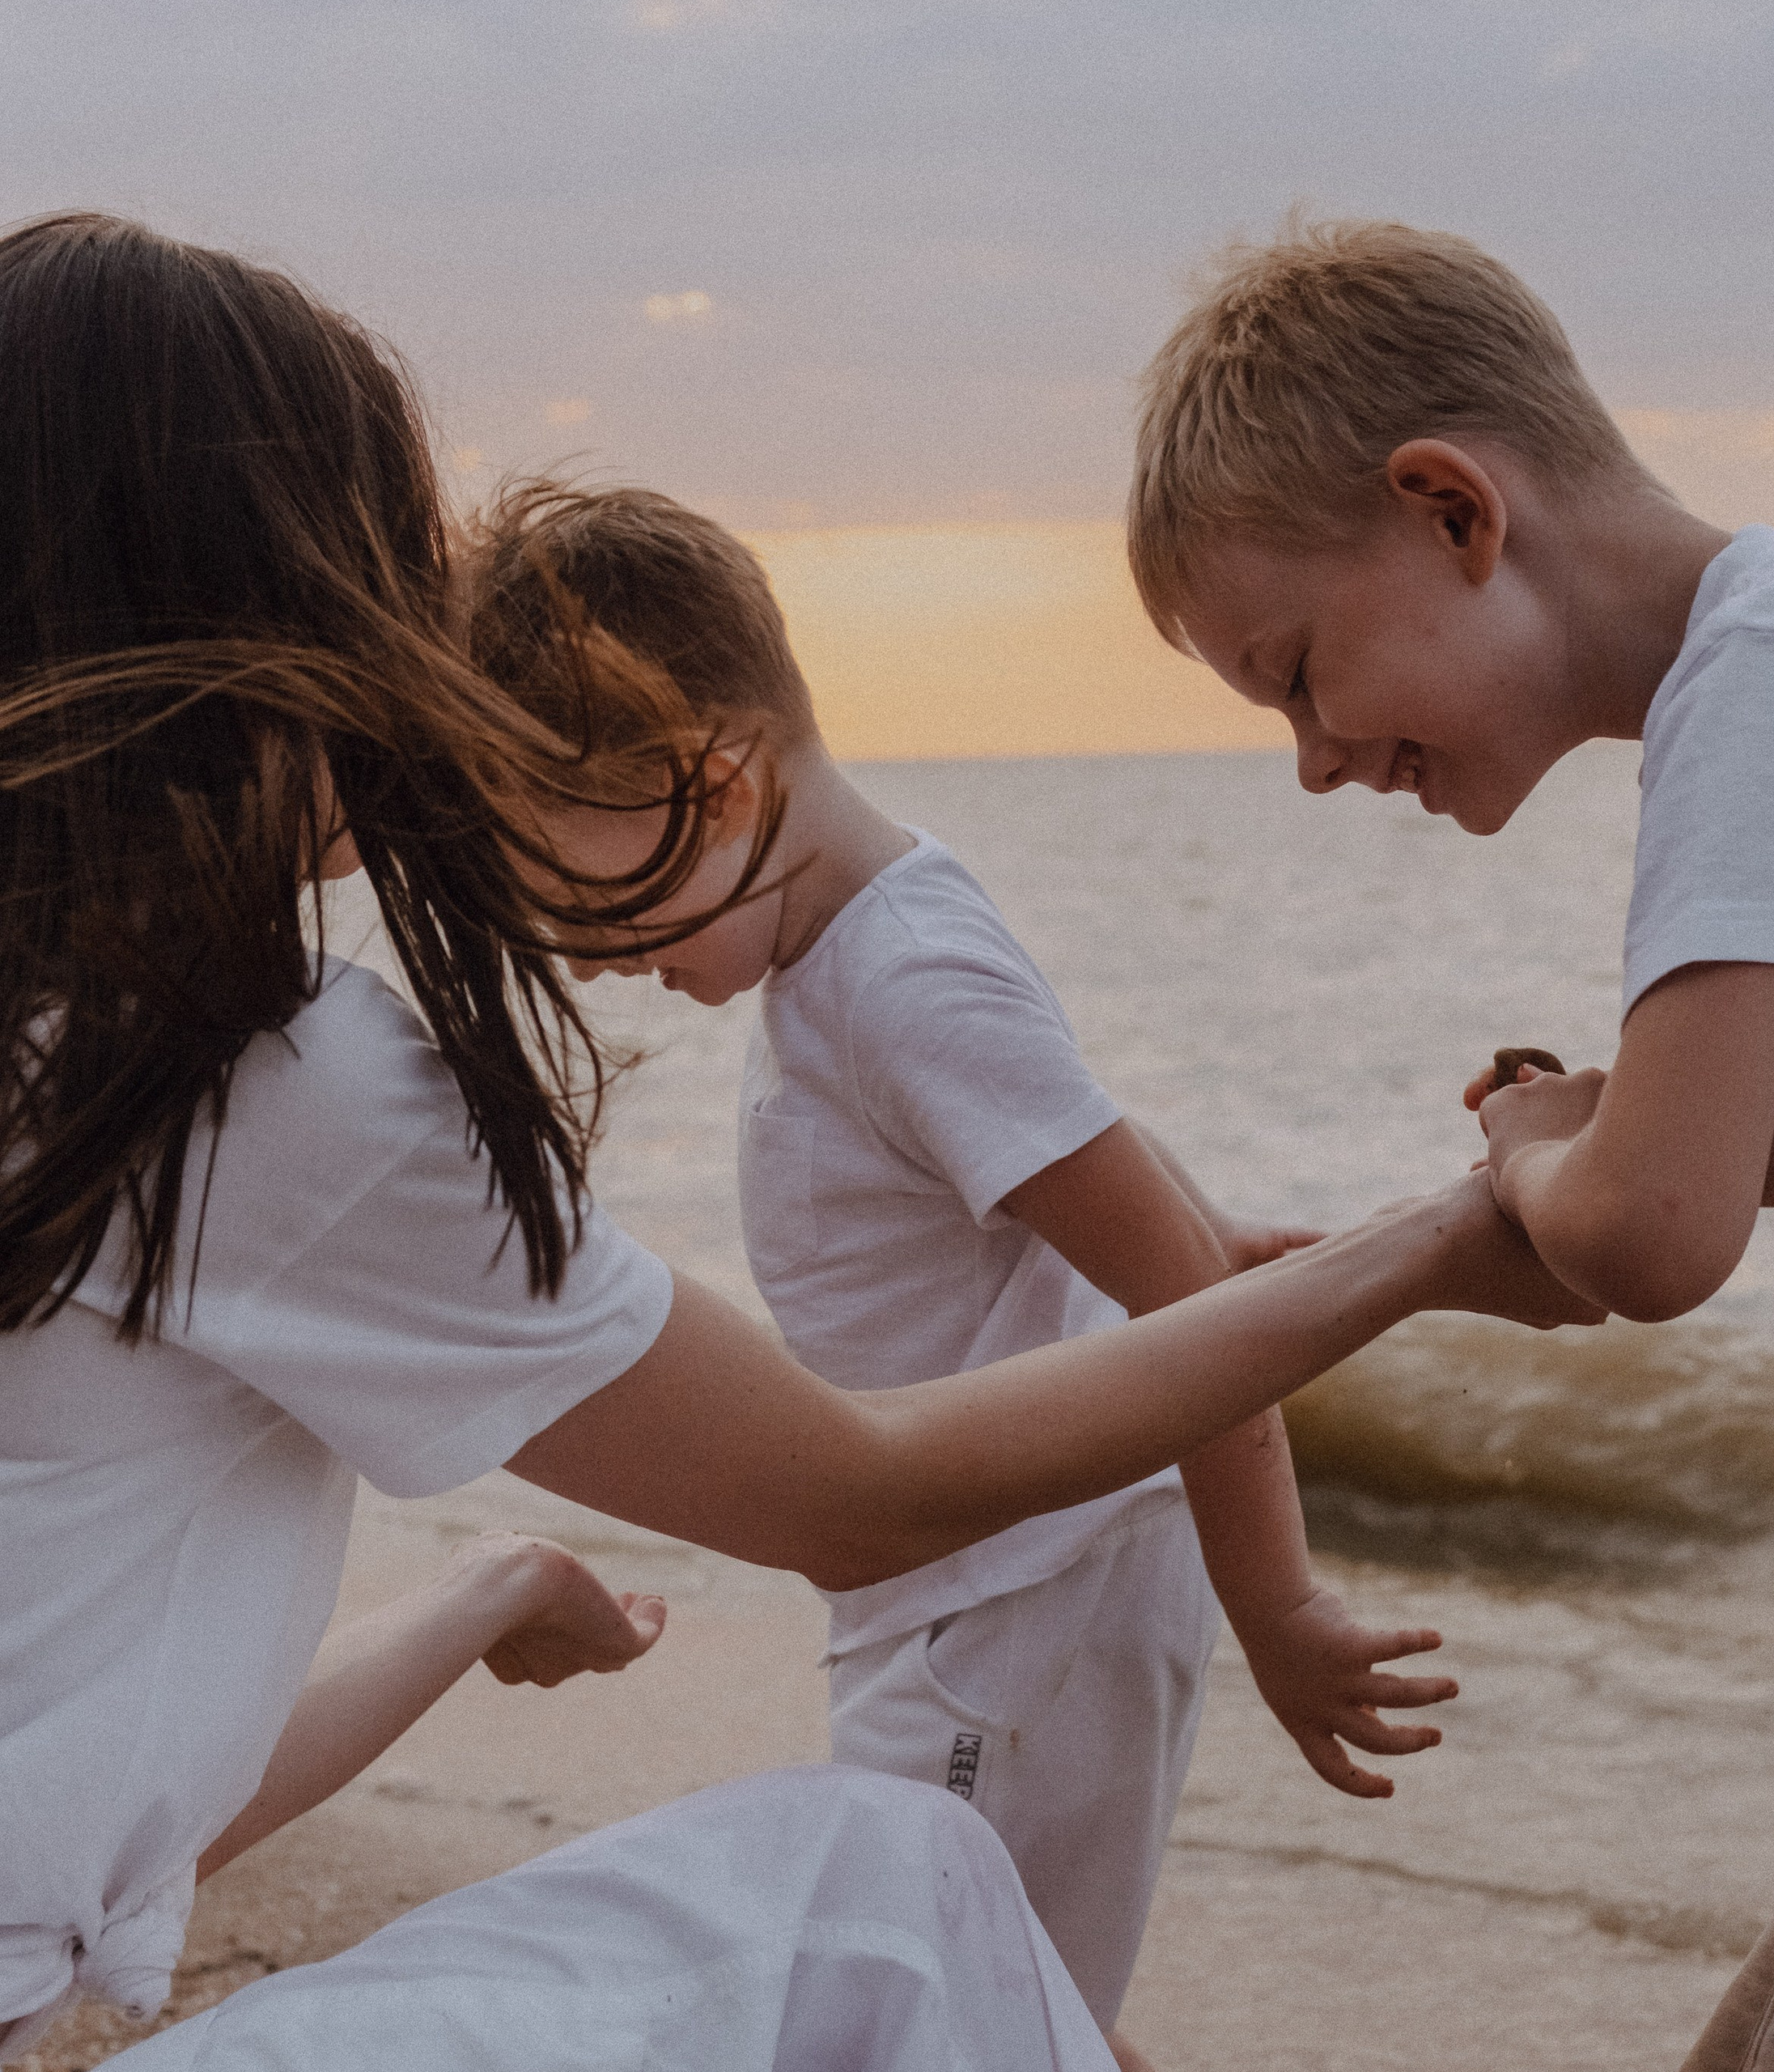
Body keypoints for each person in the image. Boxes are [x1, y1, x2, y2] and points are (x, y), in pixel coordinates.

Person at [0, 212, 1596, 2071]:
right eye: (376, 567)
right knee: (892, 1885)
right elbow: (860, 1486)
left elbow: (94, 1792)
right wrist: (1422, 1246)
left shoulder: (99, 1061)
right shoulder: (232, 1075)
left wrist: (483, 1587)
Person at [1126, 214, 1774, 2070]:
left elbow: (1645, 1236)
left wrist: (1528, 1166)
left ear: (1450, 510)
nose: (1314, 759)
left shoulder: (1768, 688)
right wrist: (1600, 1126)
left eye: (1298, 669)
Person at [463, 486, 1459, 2067]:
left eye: (569, 882)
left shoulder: (896, 970)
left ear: (716, 778)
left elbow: (1192, 1311)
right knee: (1002, 2003)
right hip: (975, 1602)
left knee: (942, 2014)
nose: (573, 948)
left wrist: (1277, 1599)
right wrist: (1202, 1230)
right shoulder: (859, 941)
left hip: (1015, 1613)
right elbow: (1098, 1144)